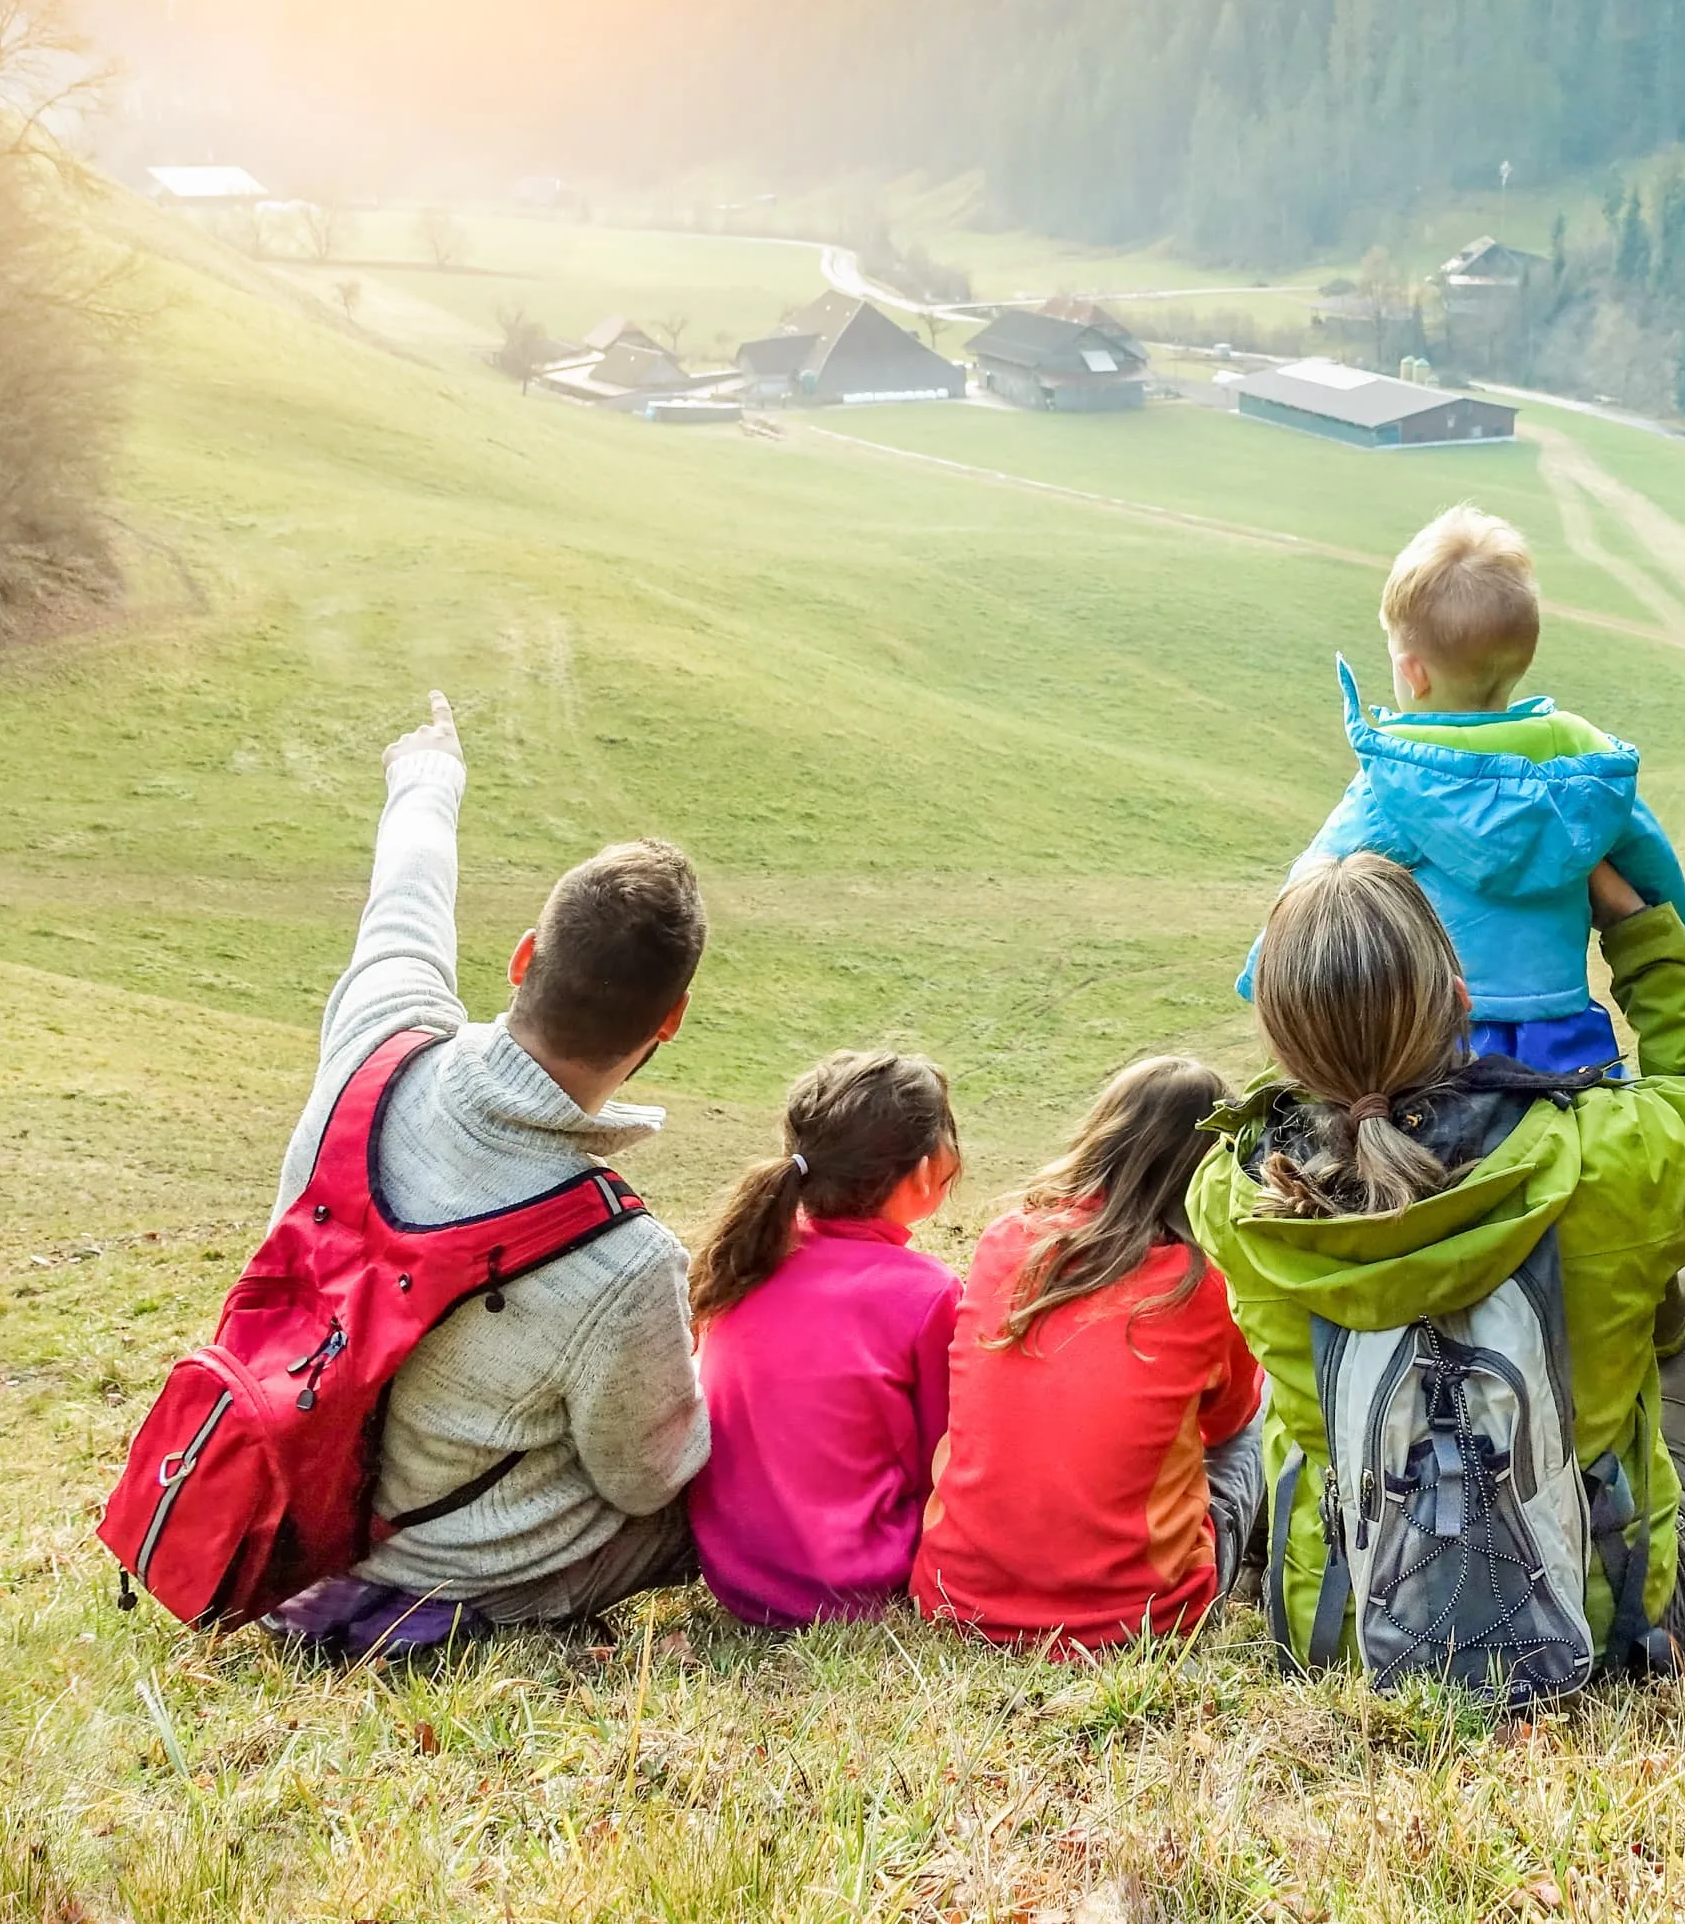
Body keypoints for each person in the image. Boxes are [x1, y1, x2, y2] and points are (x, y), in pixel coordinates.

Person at [1189, 851, 1685, 1676]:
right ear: (1462, 997)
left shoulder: (1236, 1198)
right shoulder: (1603, 1160)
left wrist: (1321, 1005)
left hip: (1342, 1637)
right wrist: (1635, 928)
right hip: (1608, 1633)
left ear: (1281, 1040)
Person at [264, 692, 712, 1654]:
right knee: (711, 1496)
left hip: (288, 1512)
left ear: (522, 957)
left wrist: (429, 773)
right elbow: (648, 1477)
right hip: (451, 1579)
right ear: (668, 1020)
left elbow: (407, 896)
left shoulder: (378, 1040)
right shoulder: (625, 1260)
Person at [1242, 504, 1685, 1078]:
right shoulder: (1579, 760)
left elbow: (1314, 887)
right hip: (1564, 1024)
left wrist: (1263, 972)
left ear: (1414, 673)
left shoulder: (1400, 776)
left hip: (1443, 1027)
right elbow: (1646, 853)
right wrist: (1669, 927)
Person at [914, 1057, 1267, 1651]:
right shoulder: (1205, 1285)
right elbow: (1224, 1421)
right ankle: (1263, 1566)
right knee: (1261, 1415)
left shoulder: (1005, 1240)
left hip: (954, 1595)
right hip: (1141, 1620)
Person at [683, 1050, 966, 1626]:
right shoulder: (928, 1292)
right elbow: (941, 1457)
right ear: (924, 1171)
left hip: (733, 1573)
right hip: (859, 1581)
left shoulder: (744, 1259)